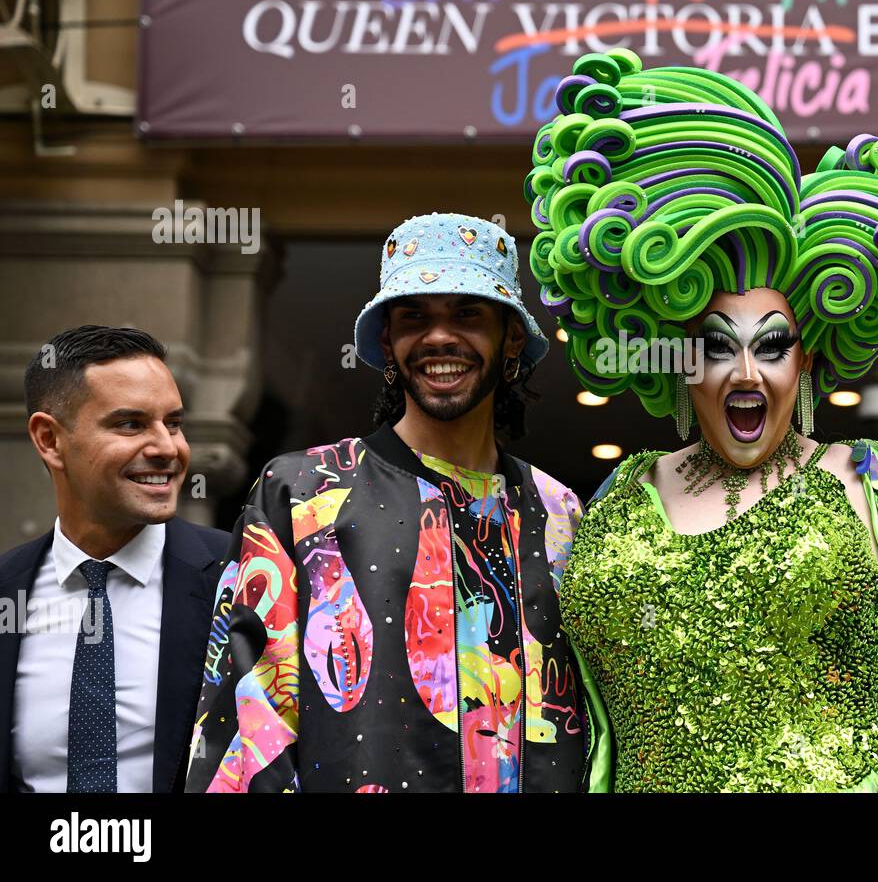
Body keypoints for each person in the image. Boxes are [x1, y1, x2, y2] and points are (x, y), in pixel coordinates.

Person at [522, 48, 878, 791]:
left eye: (772, 346)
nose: (745, 372)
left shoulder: (877, 486)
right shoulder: (615, 500)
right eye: (713, 347)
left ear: (808, 360)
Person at [184, 213, 607, 793]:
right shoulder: (304, 492)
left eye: (466, 312)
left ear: (510, 336)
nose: (439, 336)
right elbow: (247, 718)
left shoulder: (560, 512)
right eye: (414, 315)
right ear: (387, 340)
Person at [0, 325, 226, 793]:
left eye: (174, 423)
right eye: (131, 424)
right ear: (49, 439)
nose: (167, 448)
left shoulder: (243, 576)